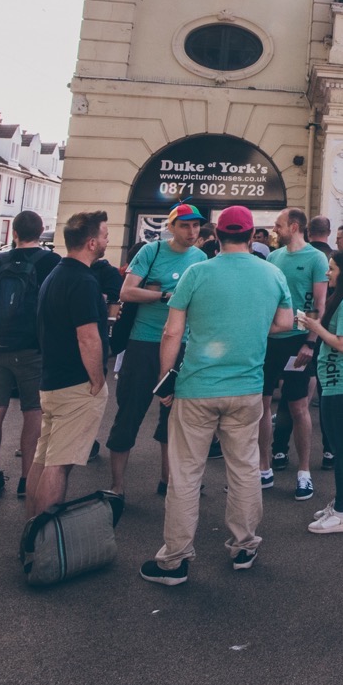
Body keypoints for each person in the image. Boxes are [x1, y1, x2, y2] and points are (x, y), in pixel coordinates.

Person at [142, 205, 294, 584]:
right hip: (247, 388)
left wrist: (166, 380)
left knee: (186, 473)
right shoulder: (272, 273)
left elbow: (172, 333)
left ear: (218, 235)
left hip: (196, 388)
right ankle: (244, 547)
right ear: (249, 234)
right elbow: (286, 323)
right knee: (244, 468)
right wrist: (255, 328)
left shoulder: (197, 273)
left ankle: (174, 560)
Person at [108, 205, 209, 508]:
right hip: (144, 343)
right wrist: (165, 295)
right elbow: (127, 292)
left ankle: (169, 481)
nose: (192, 232)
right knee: (129, 414)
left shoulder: (201, 259)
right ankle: (116, 487)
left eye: (196, 227)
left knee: (175, 418)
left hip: (182, 345)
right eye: (186, 226)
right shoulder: (151, 252)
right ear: (172, 226)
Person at [0, 210, 61, 500]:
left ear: (14, 233)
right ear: (42, 232)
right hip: (33, 349)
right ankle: (26, 479)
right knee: (33, 412)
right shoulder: (52, 262)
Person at [28, 211, 111, 519]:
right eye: (104, 236)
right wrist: (97, 379)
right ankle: (46, 542)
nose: (107, 240)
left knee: (45, 459)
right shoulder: (83, 281)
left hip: (52, 380)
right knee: (58, 465)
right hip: (75, 384)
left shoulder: (57, 274)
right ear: (91, 243)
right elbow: (88, 338)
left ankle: (32, 532)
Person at [301, 246, 343, 533]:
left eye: (332, 268)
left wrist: (313, 326)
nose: (327, 273)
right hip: (336, 381)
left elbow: (342, 344)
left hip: (342, 382)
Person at [263, 207, 326, 500]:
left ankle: (304, 473)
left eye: (279, 225)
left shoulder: (316, 257)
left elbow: (319, 304)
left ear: (295, 226)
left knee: (299, 407)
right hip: (271, 340)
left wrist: (310, 343)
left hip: (298, 340)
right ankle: (264, 469)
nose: (275, 229)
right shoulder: (273, 257)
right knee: (262, 405)